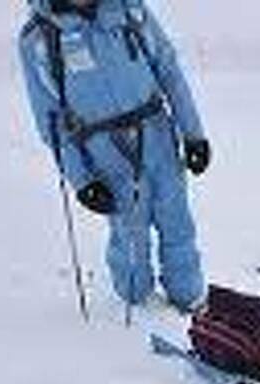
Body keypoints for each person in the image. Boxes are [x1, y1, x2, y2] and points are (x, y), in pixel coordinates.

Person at [19, 0, 211, 311]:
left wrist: (194, 135)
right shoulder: (39, 39)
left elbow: (169, 70)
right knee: (130, 235)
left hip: (156, 135)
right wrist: (82, 181)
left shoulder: (129, 11)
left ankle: (190, 299)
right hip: (105, 151)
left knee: (177, 223)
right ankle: (138, 305)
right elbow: (51, 122)